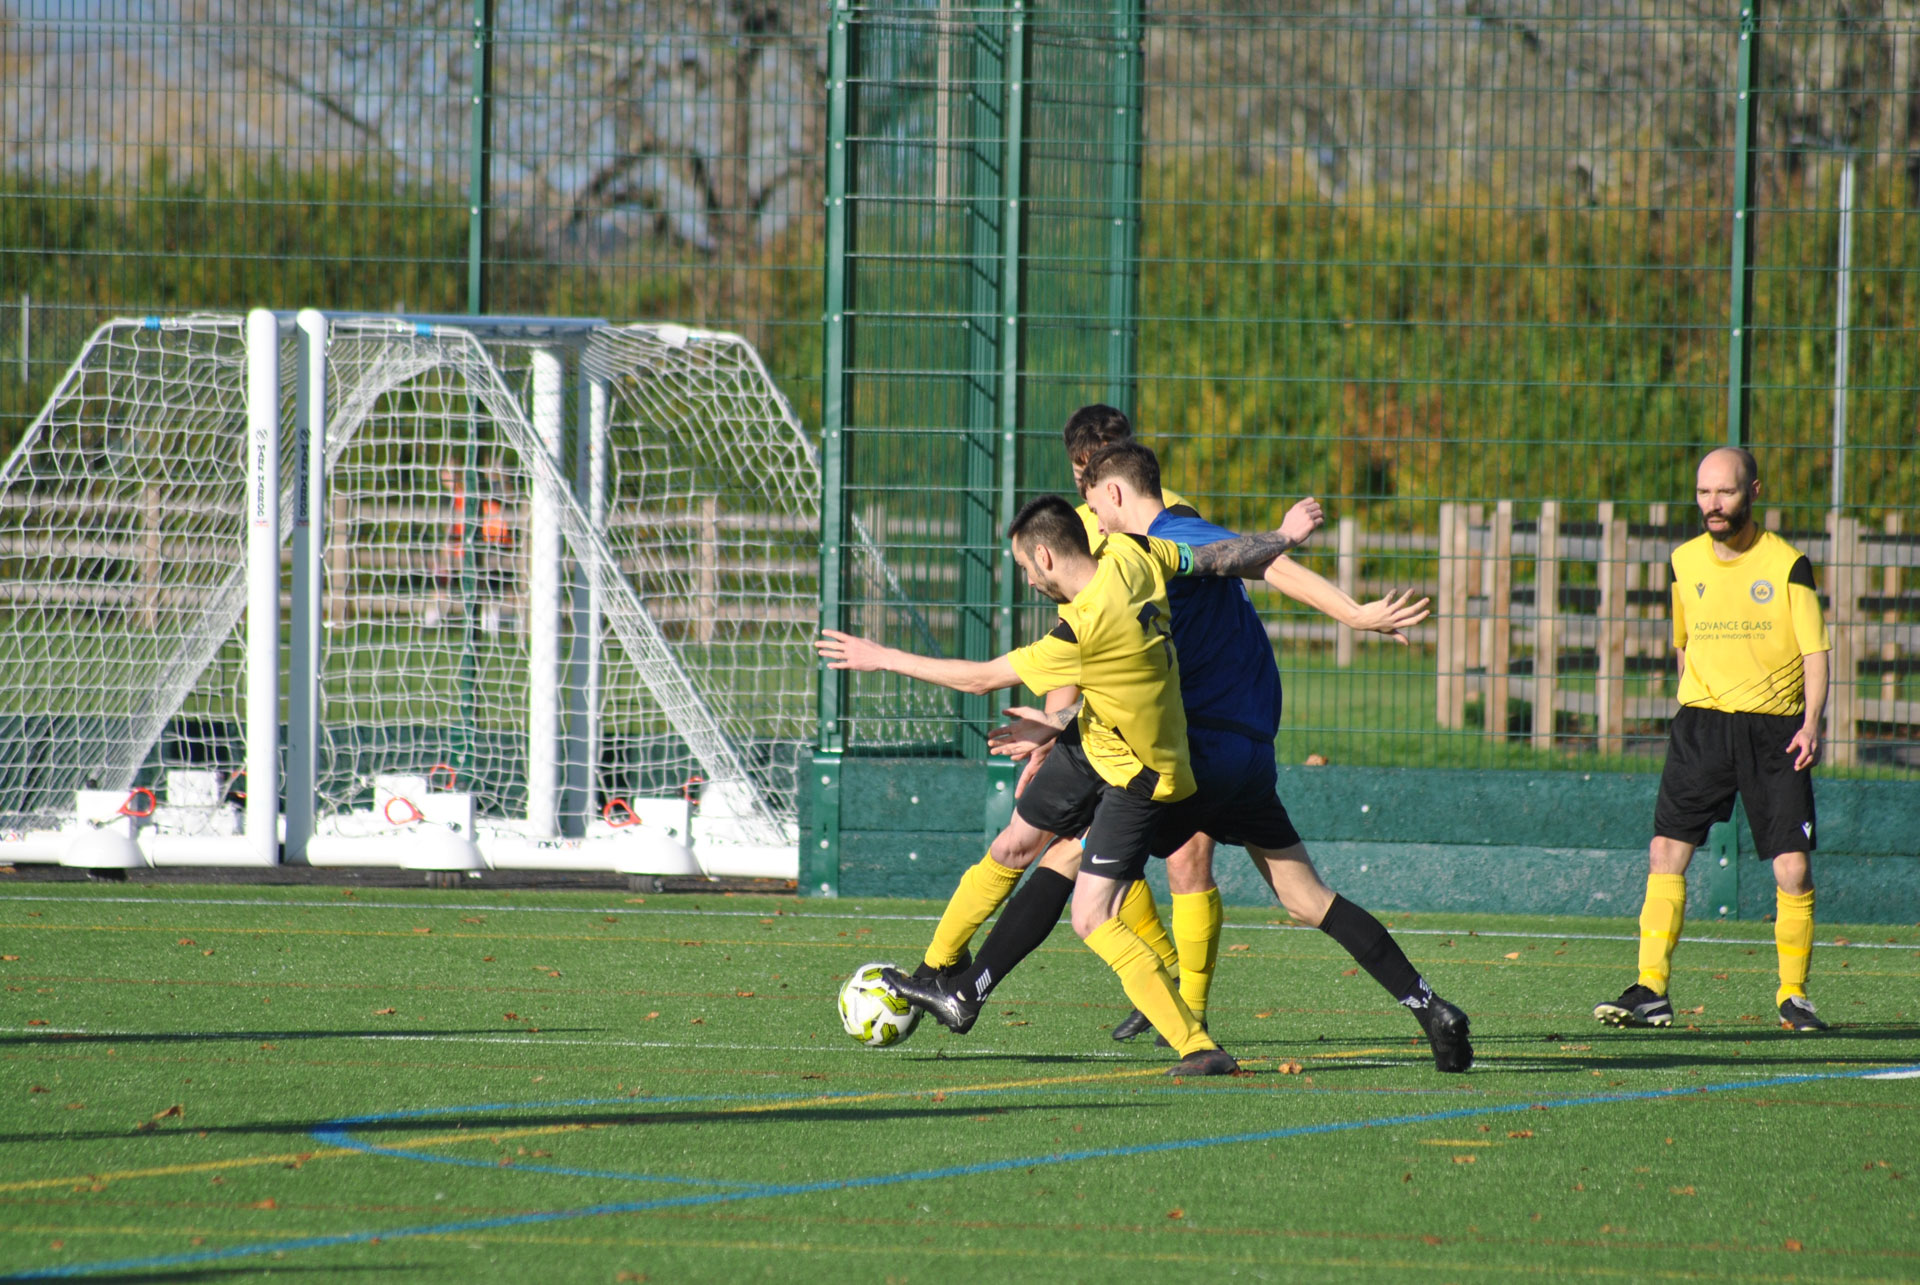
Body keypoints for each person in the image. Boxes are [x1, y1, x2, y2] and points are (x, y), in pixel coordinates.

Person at [893, 442, 1473, 1073]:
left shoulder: (1161, 540)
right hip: (1251, 756)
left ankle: (968, 993)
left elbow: (1271, 568)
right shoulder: (1160, 554)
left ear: (1114, 493)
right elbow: (1204, 597)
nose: (1093, 519)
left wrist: (1352, 613)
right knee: (1307, 898)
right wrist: (1058, 724)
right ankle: (1431, 1007)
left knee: (1067, 860)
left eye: (1093, 502)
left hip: (1198, 754)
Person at [817, 493, 1320, 1075]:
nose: (1029, 582)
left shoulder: (1083, 628)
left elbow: (981, 679)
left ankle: (1195, 1041)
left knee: (1090, 912)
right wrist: (1284, 535)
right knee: (1016, 846)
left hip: (1135, 774)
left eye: (1025, 568)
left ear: (1045, 556)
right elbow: (1220, 555)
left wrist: (881, 657)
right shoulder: (1135, 554)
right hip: (1093, 738)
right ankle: (940, 975)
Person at [1594, 446, 1832, 1032]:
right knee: (1665, 852)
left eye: (1725, 491)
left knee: (1792, 869)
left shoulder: (1788, 564)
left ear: (1754, 492)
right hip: (1702, 725)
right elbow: (1683, 642)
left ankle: (1794, 996)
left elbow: (1815, 652)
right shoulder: (1683, 561)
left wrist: (1811, 723)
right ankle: (1650, 988)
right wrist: (1694, 699)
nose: (1713, 503)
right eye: (1704, 492)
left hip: (1774, 731)